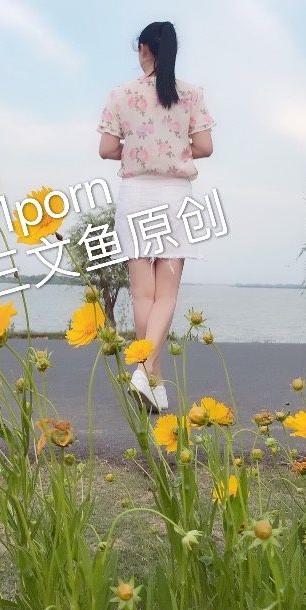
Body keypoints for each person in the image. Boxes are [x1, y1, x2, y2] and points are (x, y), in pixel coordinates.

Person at [97, 21, 215, 411]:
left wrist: (137, 149)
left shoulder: (121, 95)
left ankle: (151, 380)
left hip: (135, 196)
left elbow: (106, 149)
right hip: (174, 197)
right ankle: (148, 371)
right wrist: (174, 148)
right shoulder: (191, 94)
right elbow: (205, 146)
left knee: (143, 295)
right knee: (167, 294)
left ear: (144, 48)